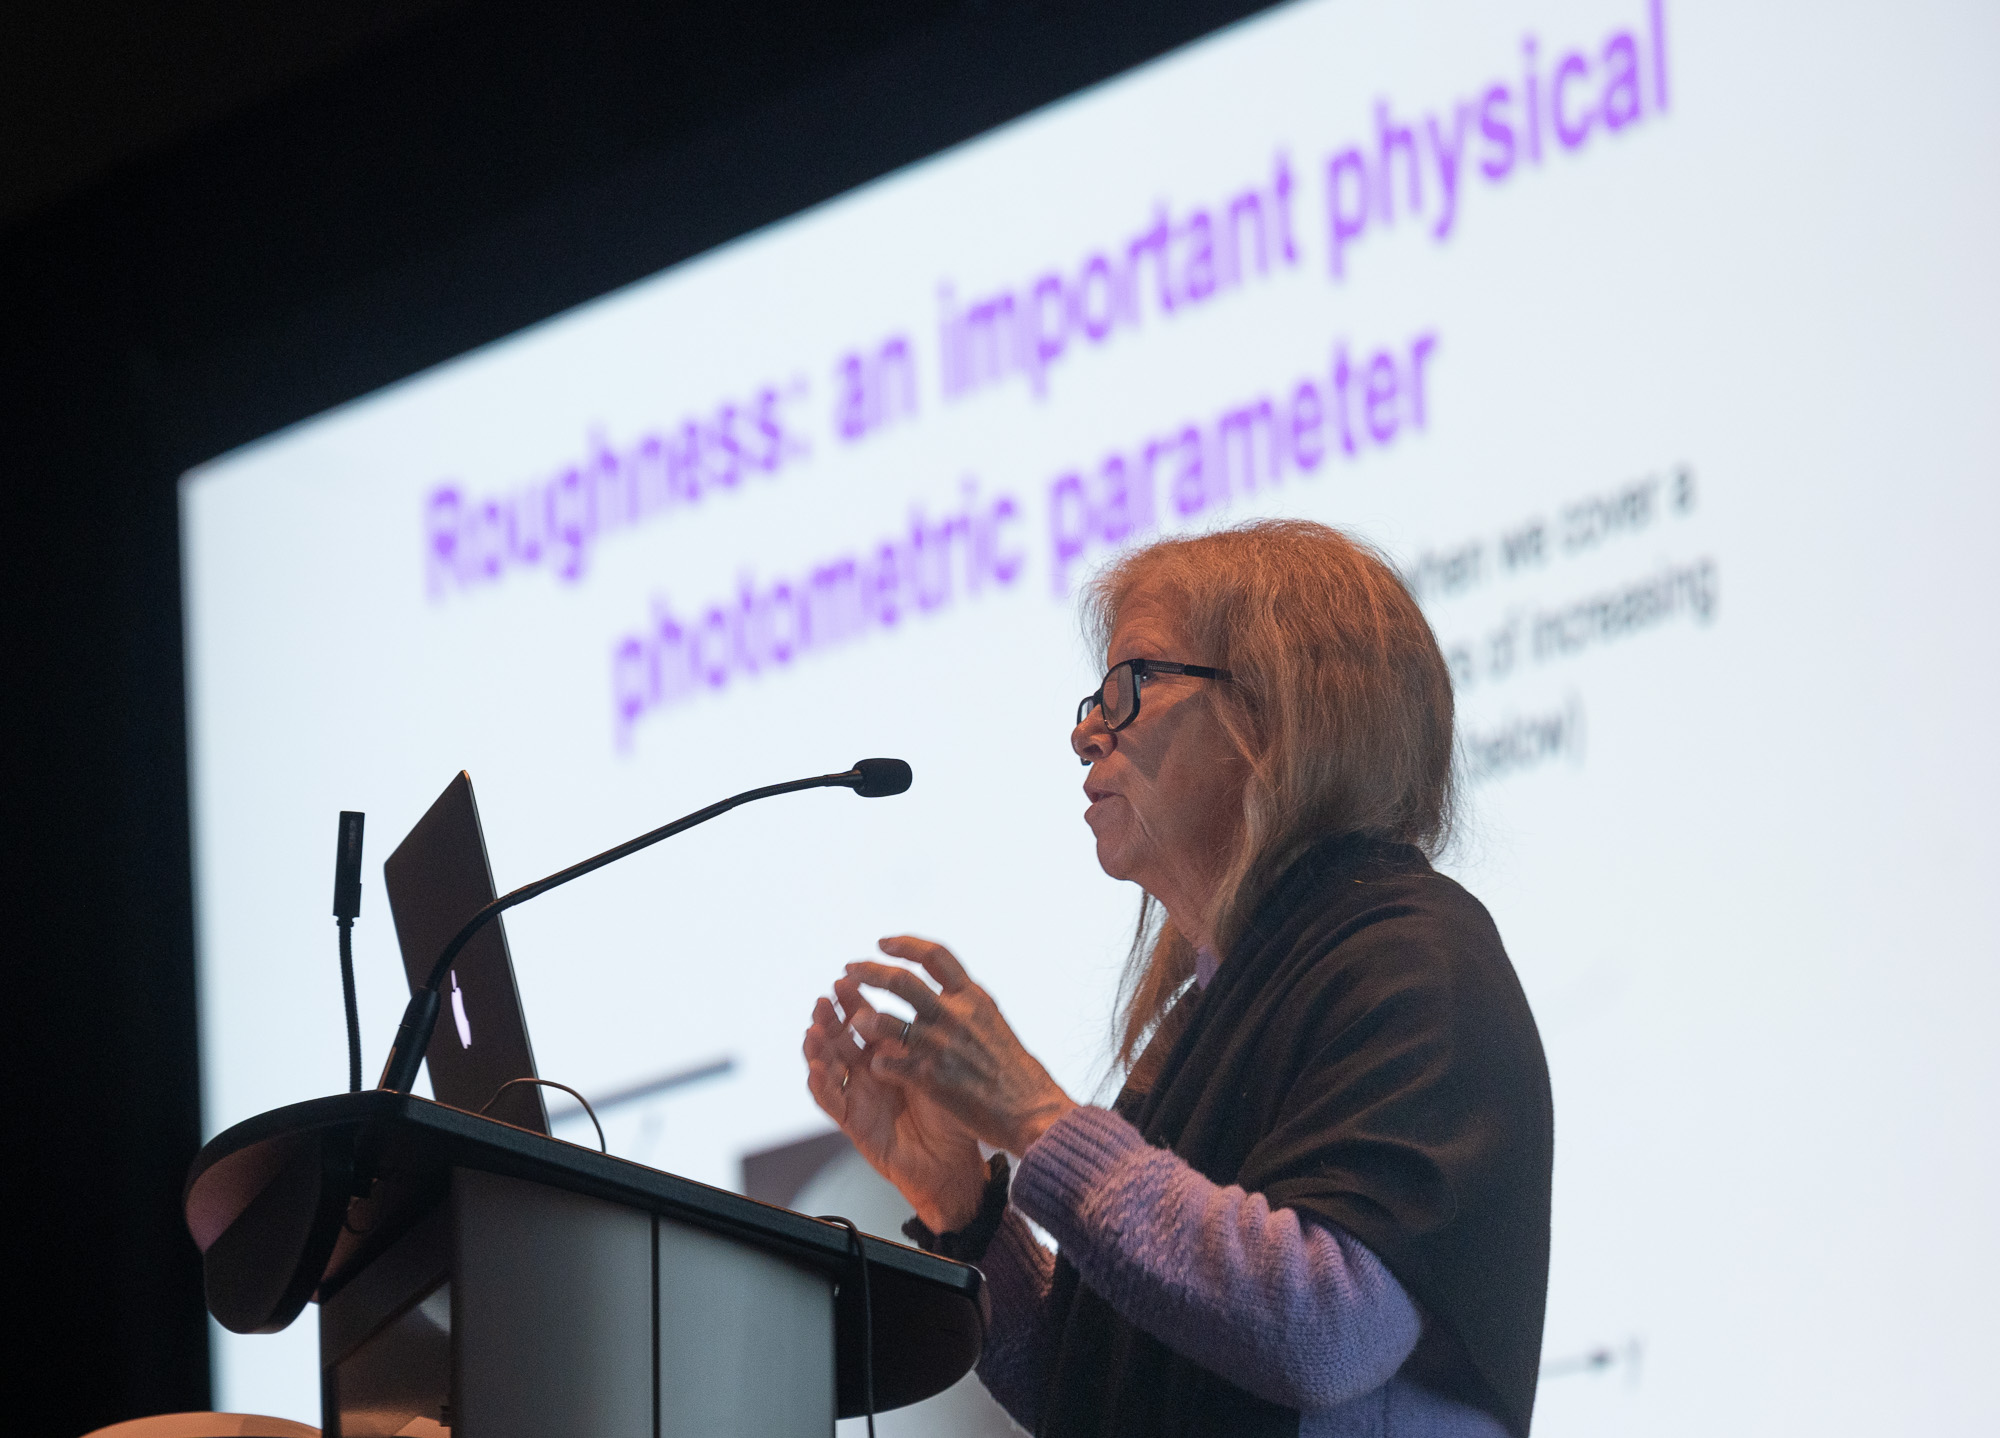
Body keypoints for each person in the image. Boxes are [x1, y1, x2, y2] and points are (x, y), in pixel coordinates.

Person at [802, 520, 1553, 1438]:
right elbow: (1095, 1390)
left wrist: (1035, 1119)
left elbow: (1324, 1331)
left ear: (1279, 710)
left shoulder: (1410, 958)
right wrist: (965, 1207)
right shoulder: (1206, 1014)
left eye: (1132, 684)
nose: (1086, 733)